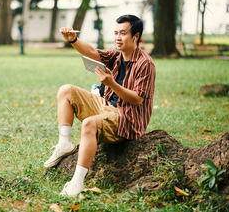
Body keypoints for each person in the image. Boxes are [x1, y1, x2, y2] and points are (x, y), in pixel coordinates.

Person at [44, 14, 156, 197]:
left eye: (123, 33)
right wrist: (73, 39)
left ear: (135, 36)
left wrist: (111, 84)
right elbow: (92, 52)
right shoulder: (117, 56)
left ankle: (77, 182)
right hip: (105, 105)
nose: (118, 37)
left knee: (89, 123)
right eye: (116, 33)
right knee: (66, 90)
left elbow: (137, 99)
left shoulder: (145, 64)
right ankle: (64, 144)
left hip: (126, 118)